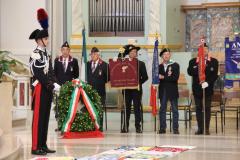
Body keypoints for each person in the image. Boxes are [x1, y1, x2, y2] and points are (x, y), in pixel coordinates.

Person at [29, 28, 60, 155]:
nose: (47, 40)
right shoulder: (35, 54)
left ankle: (43, 144)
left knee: (45, 117)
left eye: (47, 38)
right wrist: (51, 86)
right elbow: (39, 74)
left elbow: (50, 70)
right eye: (45, 38)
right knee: (38, 118)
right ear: (39, 41)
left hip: (47, 88)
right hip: (40, 87)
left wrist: (56, 83)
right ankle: (35, 147)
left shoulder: (46, 53)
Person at [187, 43, 218, 135]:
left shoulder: (213, 61)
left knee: (207, 108)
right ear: (199, 51)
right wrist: (199, 65)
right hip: (197, 89)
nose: (204, 51)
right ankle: (200, 128)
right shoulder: (193, 61)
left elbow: (215, 75)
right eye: (202, 50)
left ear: (208, 50)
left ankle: (206, 128)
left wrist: (207, 82)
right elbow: (189, 72)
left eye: (206, 49)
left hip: (208, 89)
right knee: (198, 108)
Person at [120, 44, 148, 133]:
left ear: (136, 54)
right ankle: (125, 126)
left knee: (137, 108)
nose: (133, 53)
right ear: (128, 53)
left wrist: (138, 83)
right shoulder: (124, 63)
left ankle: (137, 126)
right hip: (126, 89)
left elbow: (145, 77)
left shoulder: (141, 64)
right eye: (131, 52)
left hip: (137, 90)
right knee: (126, 108)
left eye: (135, 52)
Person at [158, 48, 180, 134]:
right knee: (162, 109)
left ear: (170, 55)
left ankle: (175, 128)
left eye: (168, 54)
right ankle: (162, 128)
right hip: (163, 90)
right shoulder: (159, 66)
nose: (166, 56)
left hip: (172, 90)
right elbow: (157, 78)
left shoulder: (175, 65)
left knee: (175, 110)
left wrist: (163, 77)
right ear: (162, 56)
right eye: (164, 54)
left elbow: (175, 78)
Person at [86, 47, 108, 131]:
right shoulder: (87, 64)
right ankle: (91, 126)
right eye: (91, 54)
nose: (93, 56)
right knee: (89, 109)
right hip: (89, 92)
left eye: (95, 54)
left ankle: (99, 127)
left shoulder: (104, 65)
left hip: (100, 91)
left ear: (98, 55)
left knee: (99, 110)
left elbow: (107, 78)